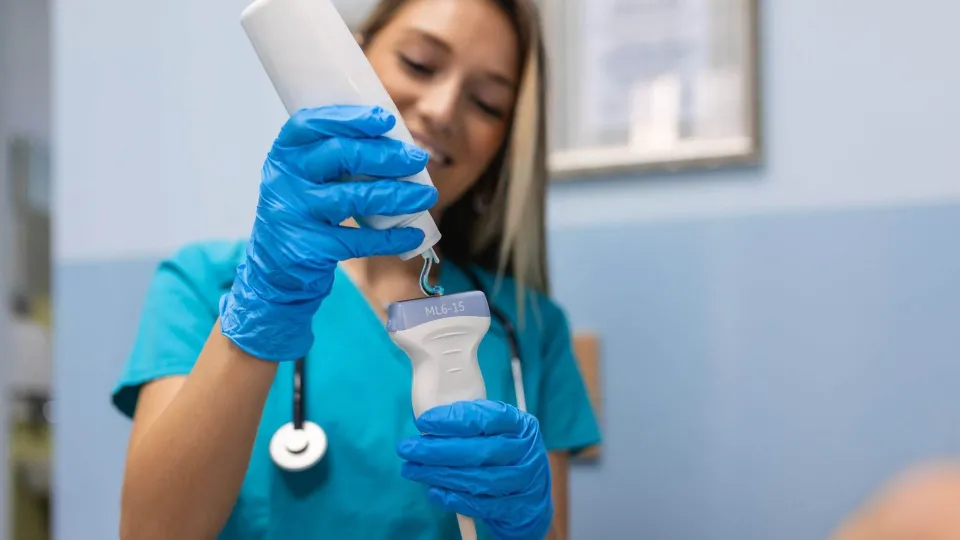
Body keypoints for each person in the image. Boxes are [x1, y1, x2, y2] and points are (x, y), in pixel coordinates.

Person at [111, 0, 600, 539]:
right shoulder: (205, 285)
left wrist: (525, 526)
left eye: (486, 103)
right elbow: (149, 532)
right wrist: (263, 307)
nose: (442, 109)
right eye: (419, 63)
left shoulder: (528, 328)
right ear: (355, 54)